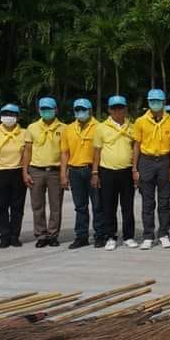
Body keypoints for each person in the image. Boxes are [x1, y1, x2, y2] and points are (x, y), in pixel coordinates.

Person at [132, 88, 170, 250]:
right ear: (148, 102)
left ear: (163, 102)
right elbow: (136, 146)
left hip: (164, 160)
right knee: (147, 201)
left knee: (164, 201)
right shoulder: (140, 122)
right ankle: (148, 236)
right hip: (146, 161)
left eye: (158, 101)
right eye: (152, 101)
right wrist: (134, 168)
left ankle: (164, 234)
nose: (155, 104)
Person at [92, 95, 135, 251]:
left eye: (120, 107)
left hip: (126, 170)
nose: (118, 111)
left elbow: (135, 148)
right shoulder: (101, 128)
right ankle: (111, 236)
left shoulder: (132, 127)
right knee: (109, 206)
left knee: (127, 206)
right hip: (107, 171)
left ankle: (128, 236)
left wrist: (135, 169)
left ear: (125, 109)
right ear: (109, 110)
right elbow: (97, 152)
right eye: (114, 108)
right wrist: (95, 172)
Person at [60, 99, 104, 249]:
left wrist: (96, 172)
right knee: (80, 206)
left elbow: (101, 151)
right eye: (77, 110)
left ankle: (100, 235)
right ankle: (81, 236)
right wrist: (63, 174)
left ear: (90, 110)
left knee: (97, 205)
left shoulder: (99, 127)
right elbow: (65, 153)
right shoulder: (68, 129)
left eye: (83, 109)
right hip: (75, 171)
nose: (80, 112)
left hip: (93, 170)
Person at [23, 97, 65, 248]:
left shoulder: (63, 128)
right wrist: (25, 172)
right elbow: (27, 151)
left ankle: (53, 235)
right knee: (37, 205)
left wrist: (64, 173)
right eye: (43, 109)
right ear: (39, 110)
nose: (46, 111)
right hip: (36, 170)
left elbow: (65, 153)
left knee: (56, 205)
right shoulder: (32, 127)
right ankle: (41, 235)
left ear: (56, 110)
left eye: (49, 109)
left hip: (55, 171)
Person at [0, 104, 27, 248]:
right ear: (1, 116)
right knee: (2, 206)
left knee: (17, 207)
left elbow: (27, 155)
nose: (8, 117)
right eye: (5, 114)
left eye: (12, 114)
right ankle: (4, 236)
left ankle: (15, 236)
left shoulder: (24, 133)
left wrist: (26, 172)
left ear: (17, 117)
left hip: (18, 172)